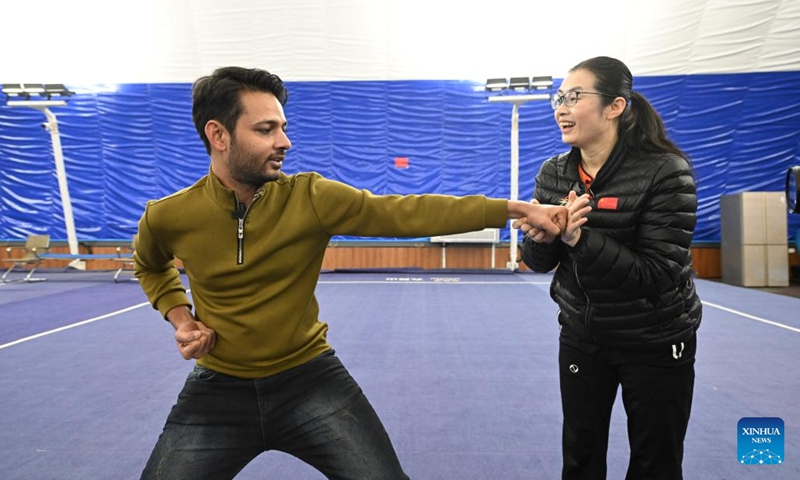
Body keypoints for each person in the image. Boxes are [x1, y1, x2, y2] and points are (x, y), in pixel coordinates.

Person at [135, 66, 568, 480]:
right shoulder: (169, 216)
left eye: (283, 127)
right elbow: (150, 266)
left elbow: (407, 213)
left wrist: (518, 209)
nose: (284, 141)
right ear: (218, 135)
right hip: (218, 388)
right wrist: (182, 318)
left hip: (308, 379)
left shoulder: (310, 196)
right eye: (266, 129)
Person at [514, 56, 702, 480]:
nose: (561, 107)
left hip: (655, 339)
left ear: (615, 106)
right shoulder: (554, 173)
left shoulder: (666, 173)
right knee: (580, 455)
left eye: (574, 97)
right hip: (583, 336)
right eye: (559, 97)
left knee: (656, 462)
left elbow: (656, 274)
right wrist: (540, 240)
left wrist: (579, 238)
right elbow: (541, 263)